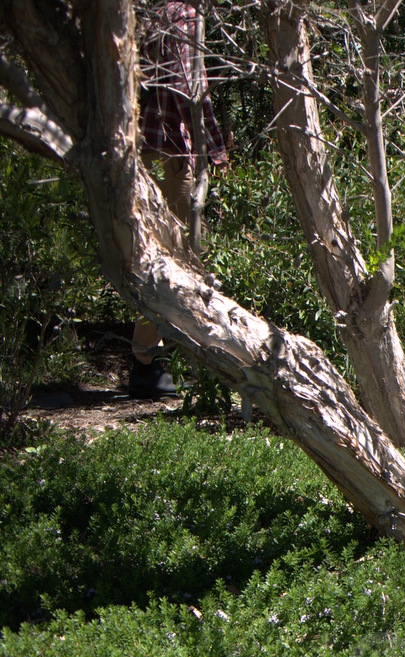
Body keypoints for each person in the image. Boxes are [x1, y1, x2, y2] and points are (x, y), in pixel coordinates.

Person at [130, 0, 228, 398]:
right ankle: (148, 360)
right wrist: (216, 148)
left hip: (137, 148)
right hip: (170, 150)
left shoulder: (144, 10)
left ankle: (154, 359)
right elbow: (189, 90)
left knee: (147, 251)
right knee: (177, 256)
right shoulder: (183, 13)